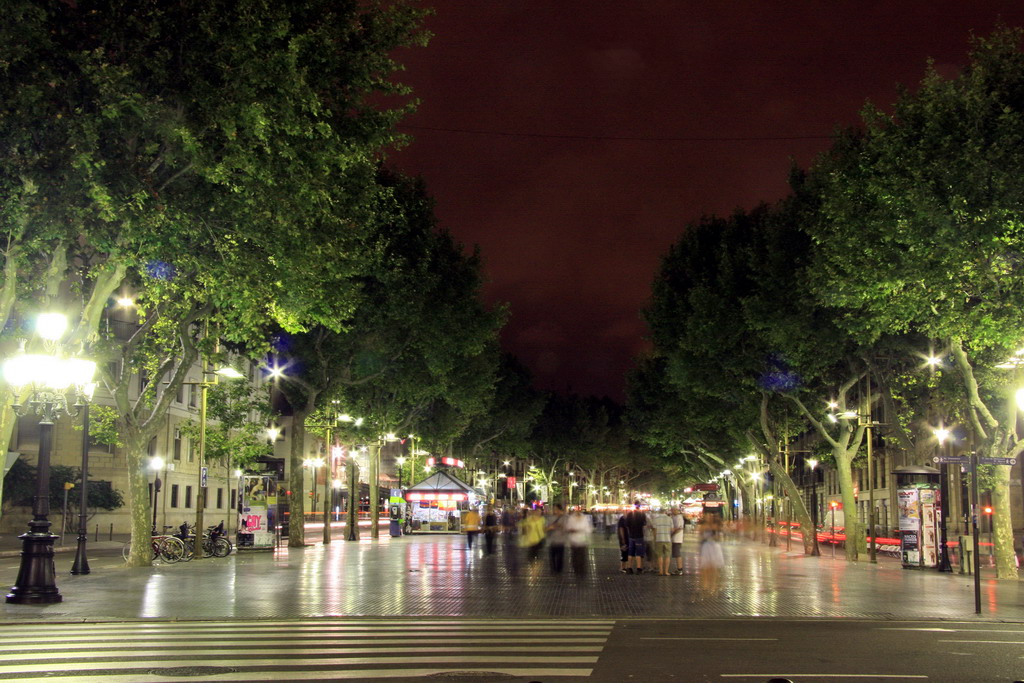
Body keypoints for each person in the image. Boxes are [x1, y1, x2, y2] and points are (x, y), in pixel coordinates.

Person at [698, 514, 725, 592]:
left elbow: (719, 537)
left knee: (714, 567)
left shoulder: (716, 526)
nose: (709, 518)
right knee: (706, 566)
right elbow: (701, 536)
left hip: (715, 546)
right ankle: (706, 584)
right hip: (707, 546)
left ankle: (713, 585)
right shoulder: (704, 526)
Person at [564, 506, 593, 576]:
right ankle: (576, 569)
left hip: (582, 540)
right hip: (574, 540)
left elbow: (588, 529)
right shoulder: (571, 518)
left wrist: (586, 535)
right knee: (575, 555)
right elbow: (568, 528)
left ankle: (581, 570)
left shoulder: (584, 518)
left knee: (582, 555)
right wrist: (573, 530)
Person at [624, 502, 647, 574]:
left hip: (631, 536)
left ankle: (629, 568)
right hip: (639, 536)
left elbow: (626, 525)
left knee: (630, 553)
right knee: (638, 553)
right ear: (639, 506)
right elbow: (644, 524)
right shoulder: (642, 514)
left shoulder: (629, 514)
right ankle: (639, 568)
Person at [650, 507, 673, 576]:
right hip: (667, 539)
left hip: (659, 539)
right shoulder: (669, 519)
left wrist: (655, 538)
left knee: (659, 555)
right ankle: (666, 571)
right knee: (667, 555)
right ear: (665, 512)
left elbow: (654, 530)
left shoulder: (656, 519)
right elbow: (671, 530)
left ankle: (660, 571)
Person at [546, 503, 568, 574]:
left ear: (560, 510)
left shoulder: (564, 518)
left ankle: (559, 570)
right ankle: (553, 569)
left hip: (561, 540)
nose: (555, 511)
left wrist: (560, 525)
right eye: (554, 509)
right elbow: (545, 528)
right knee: (552, 556)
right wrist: (550, 528)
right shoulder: (550, 518)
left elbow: (567, 528)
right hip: (552, 540)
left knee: (560, 557)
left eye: (556, 509)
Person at [669, 506, 686, 575]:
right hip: (675, 539)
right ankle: (679, 569)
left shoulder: (679, 518)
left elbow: (679, 528)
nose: (672, 512)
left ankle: (680, 569)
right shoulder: (674, 517)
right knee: (676, 554)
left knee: (677, 554)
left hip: (677, 539)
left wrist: (671, 534)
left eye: (673, 510)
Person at [617, 509, 630, 573]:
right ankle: (622, 567)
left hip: (628, 538)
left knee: (627, 552)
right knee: (624, 552)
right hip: (624, 539)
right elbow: (621, 529)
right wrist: (622, 539)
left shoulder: (627, 519)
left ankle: (626, 566)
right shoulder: (622, 519)